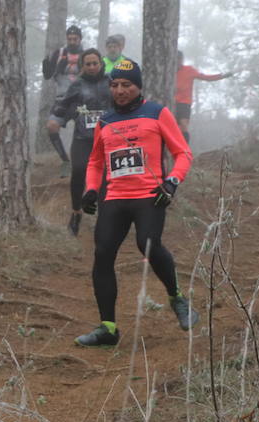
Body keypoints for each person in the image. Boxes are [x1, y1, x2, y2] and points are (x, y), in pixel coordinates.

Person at [76, 58, 198, 347]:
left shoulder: (157, 113)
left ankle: (177, 299)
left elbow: (183, 154)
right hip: (115, 198)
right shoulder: (105, 120)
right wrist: (91, 190)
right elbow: (95, 161)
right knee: (103, 254)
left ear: (139, 86)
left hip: (150, 196)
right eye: (115, 85)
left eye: (126, 85)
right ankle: (108, 328)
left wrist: (172, 182)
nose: (120, 90)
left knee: (148, 244)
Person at [46, 49, 112, 237]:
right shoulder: (77, 85)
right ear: (83, 66)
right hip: (82, 138)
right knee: (79, 172)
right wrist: (56, 119)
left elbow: (122, 102)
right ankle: (76, 213)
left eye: (95, 63)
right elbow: (64, 104)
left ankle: (105, 218)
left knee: (106, 177)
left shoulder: (110, 83)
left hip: (107, 139)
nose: (92, 67)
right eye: (88, 64)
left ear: (101, 64)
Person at [43, 25, 86, 175]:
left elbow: (96, 74)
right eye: (69, 39)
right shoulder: (59, 53)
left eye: (75, 39)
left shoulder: (87, 54)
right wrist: (48, 67)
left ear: (80, 39)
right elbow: (47, 75)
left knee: (88, 131)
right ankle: (65, 162)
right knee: (51, 126)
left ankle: (87, 163)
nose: (72, 41)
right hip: (62, 99)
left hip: (82, 101)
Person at [173, 51, 233, 141]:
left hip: (184, 103)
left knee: (183, 124)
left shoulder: (189, 70)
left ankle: (185, 150)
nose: (178, 62)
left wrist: (222, 76)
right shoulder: (169, 72)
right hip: (171, 102)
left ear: (182, 60)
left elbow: (206, 77)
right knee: (171, 127)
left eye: (179, 60)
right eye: (176, 60)